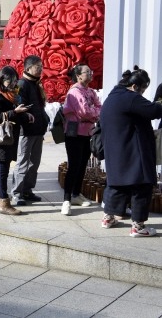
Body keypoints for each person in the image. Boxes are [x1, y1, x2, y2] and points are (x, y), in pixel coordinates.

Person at [100, 67, 162, 236]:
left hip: (116, 150)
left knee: (116, 185)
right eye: (142, 89)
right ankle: (138, 226)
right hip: (133, 150)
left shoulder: (113, 96)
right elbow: (154, 111)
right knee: (141, 185)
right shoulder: (130, 98)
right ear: (135, 86)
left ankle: (108, 217)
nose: (142, 93)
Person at [0, 66, 32, 215]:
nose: (13, 84)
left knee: (4, 167)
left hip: (9, 136)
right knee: (2, 170)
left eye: (14, 81)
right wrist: (15, 111)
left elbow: (14, 113)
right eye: (9, 81)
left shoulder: (11, 94)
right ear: (2, 80)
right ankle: (4, 203)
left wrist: (25, 115)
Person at [60, 64, 101, 215]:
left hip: (87, 132)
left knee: (83, 164)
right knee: (74, 165)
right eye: (87, 72)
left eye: (91, 71)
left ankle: (76, 194)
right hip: (74, 133)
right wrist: (94, 112)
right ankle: (66, 199)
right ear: (78, 76)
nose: (91, 74)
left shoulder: (90, 91)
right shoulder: (75, 92)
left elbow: (99, 108)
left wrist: (94, 112)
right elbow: (84, 112)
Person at [11, 55, 49, 205]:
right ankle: (16, 193)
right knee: (22, 163)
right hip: (25, 131)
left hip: (38, 130)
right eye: (37, 67)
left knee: (34, 163)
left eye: (41, 66)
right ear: (28, 68)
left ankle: (27, 190)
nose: (40, 69)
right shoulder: (21, 84)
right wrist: (27, 117)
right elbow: (17, 106)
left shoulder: (35, 84)